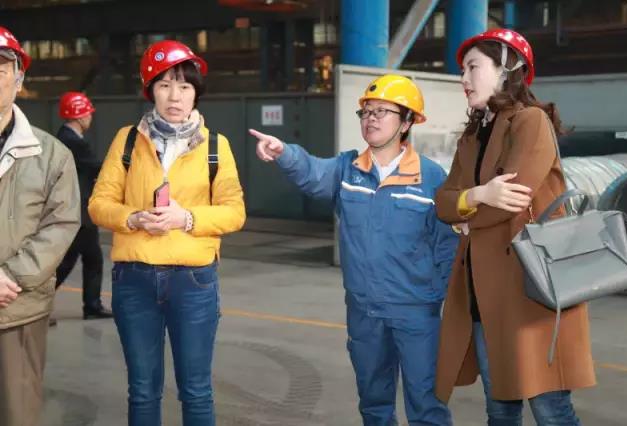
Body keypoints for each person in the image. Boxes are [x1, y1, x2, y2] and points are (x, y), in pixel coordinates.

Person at [251, 74, 458, 426]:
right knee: (374, 403)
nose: (371, 119)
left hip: (415, 312)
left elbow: (446, 246)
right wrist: (285, 153)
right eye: (366, 112)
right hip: (364, 310)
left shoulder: (431, 177)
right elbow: (313, 173)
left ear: (407, 121)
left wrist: (435, 298)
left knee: (427, 404)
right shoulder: (348, 169)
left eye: (382, 111)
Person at [433, 29, 595, 425]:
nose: (464, 78)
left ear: (508, 69)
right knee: (499, 410)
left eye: (473, 67)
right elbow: (442, 204)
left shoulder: (530, 122)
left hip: (531, 292)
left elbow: (512, 198)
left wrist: (467, 213)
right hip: (483, 295)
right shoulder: (471, 137)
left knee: (549, 410)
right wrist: (478, 195)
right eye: (462, 70)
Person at [88, 40, 246, 425]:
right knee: (143, 389)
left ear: (196, 93)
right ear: (150, 90)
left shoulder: (216, 147)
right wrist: (134, 218)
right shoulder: (128, 140)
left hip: (193, 282)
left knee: (196, 390)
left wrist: (185, 219)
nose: (175, 96)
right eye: (164, 85)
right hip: (134, 279)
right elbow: (98, 204)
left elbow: (234, 212)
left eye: (184, 86)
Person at [0, 26, 81, 426]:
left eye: (1, 69)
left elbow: (61, 224)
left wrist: (10, 276)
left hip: (17, 307)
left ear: (19, 80)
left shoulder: (52, 155)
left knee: (17, 412)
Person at [55, 91, 112, 321]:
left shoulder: (64, 138)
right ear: (80, 116)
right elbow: (97, 167)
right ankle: (90, 306)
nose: (90, 117)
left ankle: (91, 305)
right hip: (78, 212)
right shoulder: (74, 143)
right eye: (88, 113)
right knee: (74, 260)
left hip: (73, 210)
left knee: (83, 258)